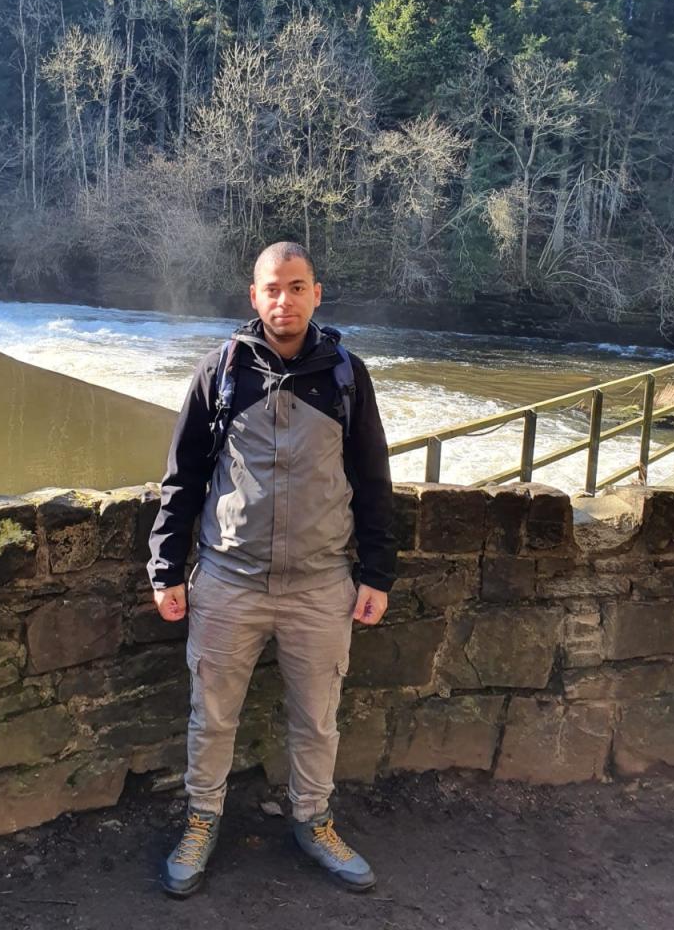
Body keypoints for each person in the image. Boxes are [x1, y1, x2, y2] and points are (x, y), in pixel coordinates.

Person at [147, 240, 396, 897]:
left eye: (296, 286)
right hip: (228, 581)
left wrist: (378, 573)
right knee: (212, 715)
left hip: (321, 584)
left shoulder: (347, 375)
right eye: (271, 289)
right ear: (253, 298)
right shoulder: (220, 372)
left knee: (317, 719)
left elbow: (373, 479)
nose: (283, 299)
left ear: (316, 293)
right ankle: (201, 820)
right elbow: (184, 479)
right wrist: (165, 568)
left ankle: (314, 821)